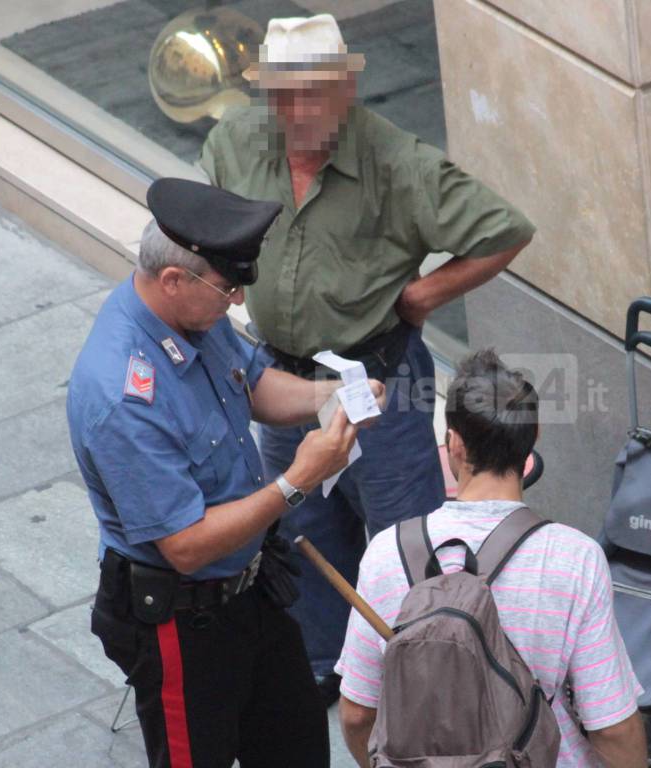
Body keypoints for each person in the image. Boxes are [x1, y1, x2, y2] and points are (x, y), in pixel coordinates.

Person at [200, 13, 537, 703]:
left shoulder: (397, 162)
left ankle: (417, 674)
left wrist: (423, 293)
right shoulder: (235, 141)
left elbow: (505, 230)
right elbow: (209, 217)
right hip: (279, 375)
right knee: (298, 523)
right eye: (283, 95)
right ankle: (323, 666)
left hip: (376, 377)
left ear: (344, 89)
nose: (298, 111)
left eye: (313, 93)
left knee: (399, 534)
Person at [66, 177, 384, 767]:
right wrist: (295, 482)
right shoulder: (123, 397)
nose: (237, 300)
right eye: (228, 287)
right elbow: (185, 545)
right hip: (183, 623)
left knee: (297, 745)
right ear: (171, 280)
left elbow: (254, 382)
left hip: (251, 589)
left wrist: (332, 396)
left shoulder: (191, 317)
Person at [335, 350, 648, 768]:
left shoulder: (386, 553)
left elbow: (358, 713)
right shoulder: (574, 559)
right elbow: (611, 726)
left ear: (454, 444)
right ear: (533, 438)